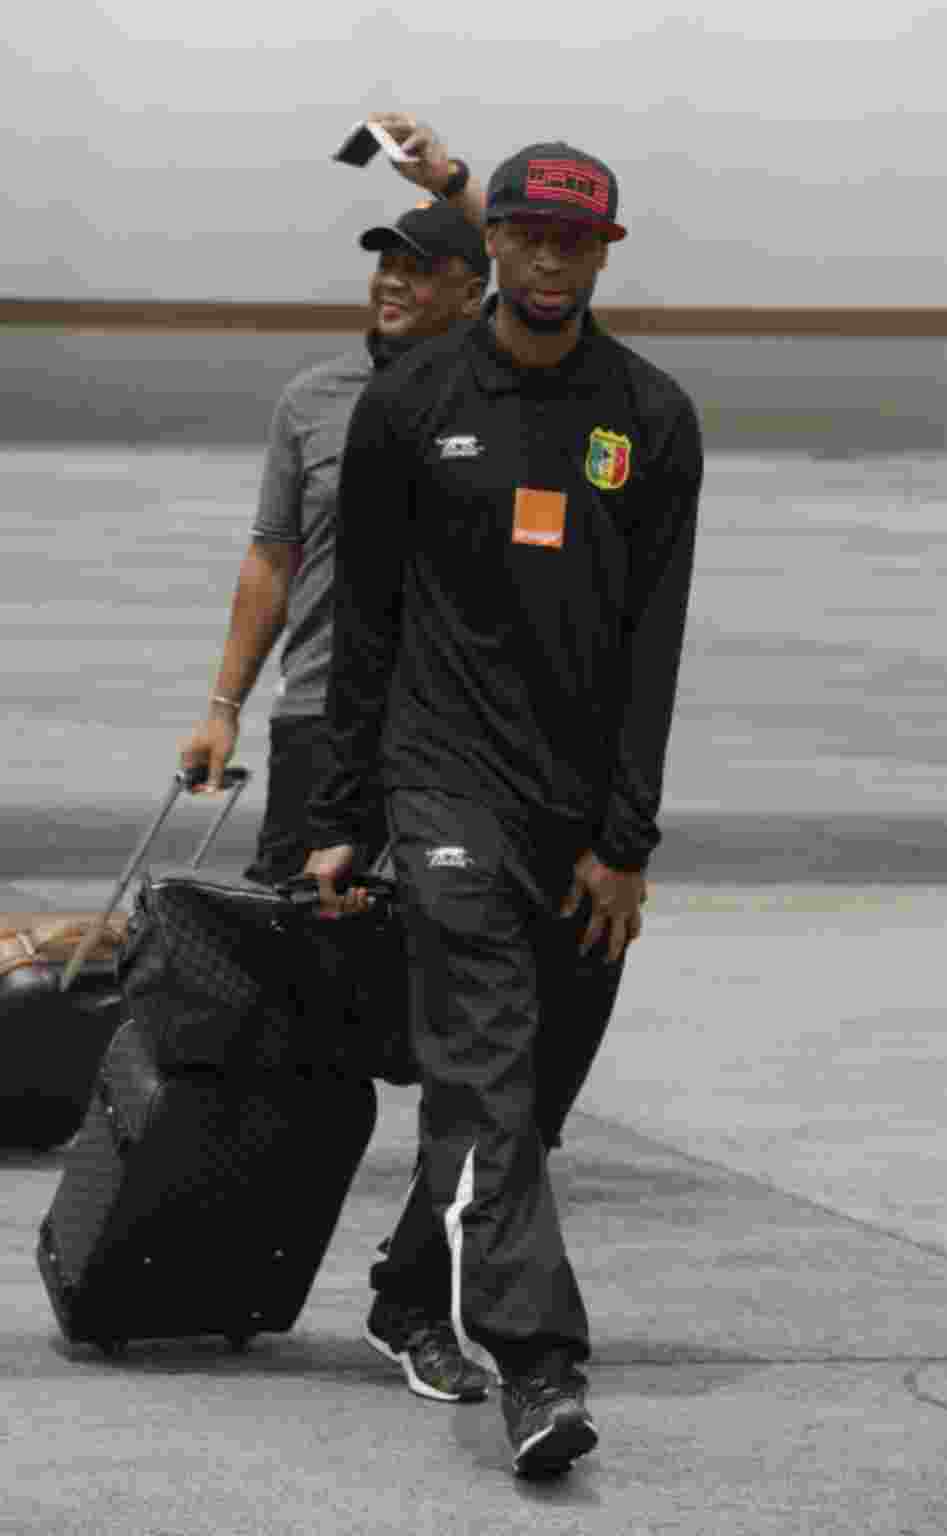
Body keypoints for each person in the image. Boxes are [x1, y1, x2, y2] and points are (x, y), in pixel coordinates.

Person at [305, 141, 703, 1476]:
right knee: (483, 1071)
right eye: (527, 234)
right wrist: (341, 812)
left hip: (577, 814)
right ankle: (540, 1367)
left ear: (604, 255)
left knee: (527, 1097)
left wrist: (624, 841)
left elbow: (654, 645)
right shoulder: (411, 401)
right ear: (497, 243)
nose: (547, 258)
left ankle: (407, 1292)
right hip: (443, 784)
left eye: (573, 241)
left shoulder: (651, 418)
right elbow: (364, 625)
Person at [178, 116, 494, 1404]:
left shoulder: (487, 388)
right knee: (279, 1004)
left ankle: (417, 1284)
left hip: (449, 742)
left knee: (450, 1017)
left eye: (421, 264)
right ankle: (214, 1253)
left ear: (468, 289)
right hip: (317, 730)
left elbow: (546, 281)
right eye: (385, 261)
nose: (393, 280)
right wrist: (221, 705)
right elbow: (271, 558)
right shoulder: (311, 400)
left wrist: (455, 183)